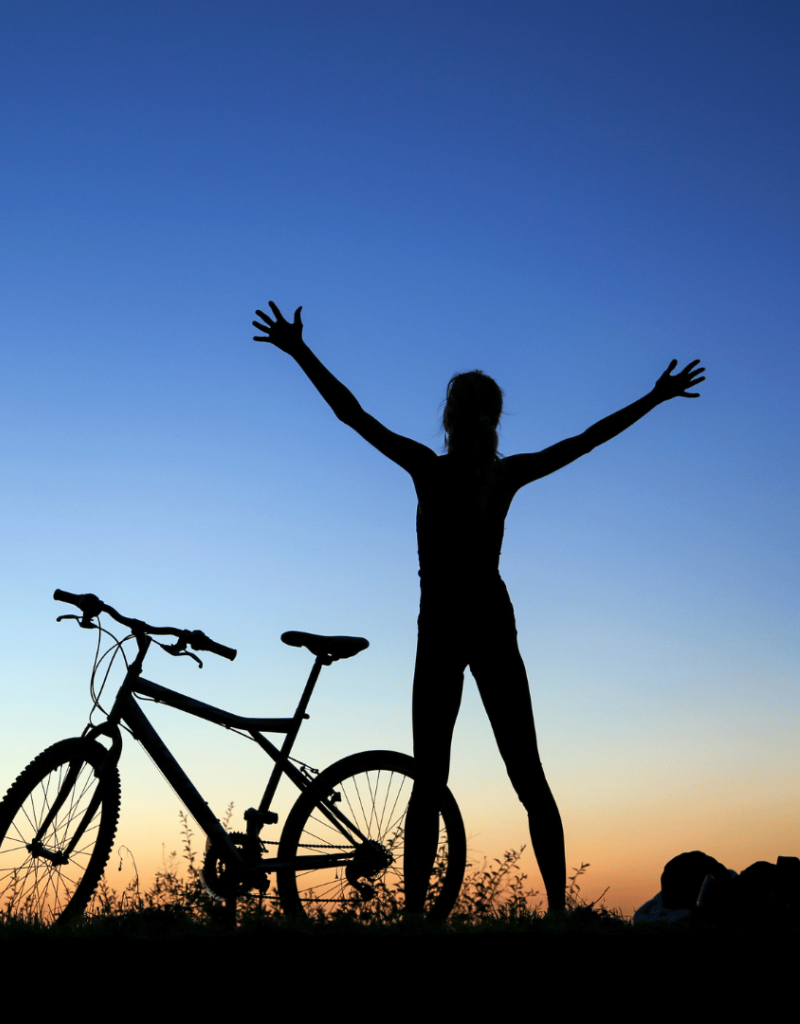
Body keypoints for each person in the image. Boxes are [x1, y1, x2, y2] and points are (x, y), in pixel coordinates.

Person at [252, 300, 705, 917]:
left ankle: (508, 914)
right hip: (463, 626)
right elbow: (583, 440)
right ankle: (512, 915)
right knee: (475, 777)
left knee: (468, 777)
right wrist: (301, 352)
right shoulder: (479, 473)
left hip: (465, 626)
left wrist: (301, 352)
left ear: (458, 418)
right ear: (485, 419)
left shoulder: (453, 470)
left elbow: (353, 416)